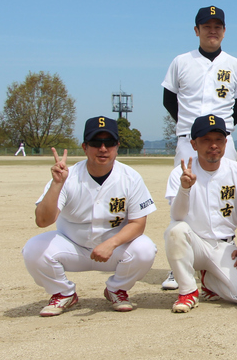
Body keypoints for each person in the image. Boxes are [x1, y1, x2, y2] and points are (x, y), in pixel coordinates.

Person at [22, 116, 157, 316]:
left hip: (113, 250)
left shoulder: (131, 177)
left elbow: (138, 223)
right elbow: (43, 221)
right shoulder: (69, 176)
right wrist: (57, 185)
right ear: (85, 147)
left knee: (145, 249)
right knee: (33, 249)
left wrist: (111, 243)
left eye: (109, 142)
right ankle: (63, 293)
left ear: (117, 146)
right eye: (95, 143)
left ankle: (116, 289)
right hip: (72, 247)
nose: (103, 148)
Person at [161, 5, 237, 291]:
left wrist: (221, 132)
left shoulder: (235, 64)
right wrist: (192, 130)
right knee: (184, 197)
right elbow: (169, 100)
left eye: (217, 26)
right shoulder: (180, 61)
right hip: (189, 138)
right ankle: (182, 264)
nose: (213, 30)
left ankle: (227, 253)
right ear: (196, 30)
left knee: (229, 196)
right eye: (206, 26)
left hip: (223, 140)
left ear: (224, 30)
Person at [165, 114, 237, 313]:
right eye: (205, 140)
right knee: (176, 230)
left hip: (224, 246)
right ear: (193, 144)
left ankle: (209, 279)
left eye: (218, 139)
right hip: (193, 244)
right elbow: (178, 216)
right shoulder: (180, 173)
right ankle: (188, 291)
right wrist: (184, 189)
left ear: (226, 142)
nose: (213, 145)